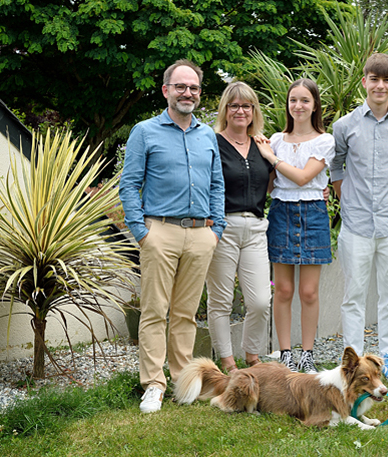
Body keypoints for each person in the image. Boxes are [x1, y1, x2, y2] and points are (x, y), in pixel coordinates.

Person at [119, 59, 226, 413]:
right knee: (154, 311)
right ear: (166, 90)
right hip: (159, 231)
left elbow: (216, 184)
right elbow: (129, 184)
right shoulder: (145, 131)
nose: (188, 93)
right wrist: (141, 232)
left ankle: (183, 380)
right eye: (180, 86)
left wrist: (217, 229)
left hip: (200, 234)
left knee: (185, 313)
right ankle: (153, 383)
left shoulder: (207, 134)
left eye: (193, 87)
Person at [331, 53, 388, 381]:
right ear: (365, 82)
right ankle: (354, 361)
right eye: (375, 79)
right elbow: (335, 165)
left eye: (387, 80)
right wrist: (348, 198)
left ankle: (387, 357)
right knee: (354, 295)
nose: (380, 85)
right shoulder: (344, 126)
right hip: (355, 224)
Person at [256, 79, 335, 374]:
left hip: (313, 213)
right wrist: (268, 157)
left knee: (309, 292)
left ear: (314, 105)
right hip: (281, 211)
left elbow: (303, 178)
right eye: (293, 100)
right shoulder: (275, 139)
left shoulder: (324, 140)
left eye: (304, 100)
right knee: (284, 290)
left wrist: (271, 158)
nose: (298, 106)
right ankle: (286, 353)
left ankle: (308, 354)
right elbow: (272, 183)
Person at [205, 82, 273, 373]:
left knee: (260, 301)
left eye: (246, 105)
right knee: (220, 300)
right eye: (234, 105)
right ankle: (228, 362)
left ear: (253, 110)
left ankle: (252, 355)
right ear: (225, 110)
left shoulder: (262, 145)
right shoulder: (211, 143)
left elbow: (271, 183)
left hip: (256, 228)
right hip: (223, 227)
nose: (240, 111)